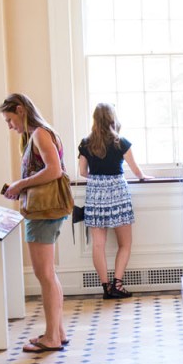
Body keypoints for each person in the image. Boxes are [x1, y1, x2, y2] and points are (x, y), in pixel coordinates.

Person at [0, 93, 67, 353]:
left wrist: (21, 184)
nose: (10, 126)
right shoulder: (38, 135)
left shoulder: (39, 134)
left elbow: (54, 170)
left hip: (42, 211)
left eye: (9, 119)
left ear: (20, 110)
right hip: (44, 211)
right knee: (49, 274)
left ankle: (51, 337)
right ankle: (57, 332)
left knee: (44, 275)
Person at [77, 103, 148, 299]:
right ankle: (118, 284)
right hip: (118, 192)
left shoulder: (85, 143)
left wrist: (97, 178)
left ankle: (106, 287)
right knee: (124, 243)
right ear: (112, 119)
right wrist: (144, 177)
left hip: (95, 194)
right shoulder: (121, 142)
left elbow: (82, 172)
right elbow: (136, 170)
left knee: (98, 245)